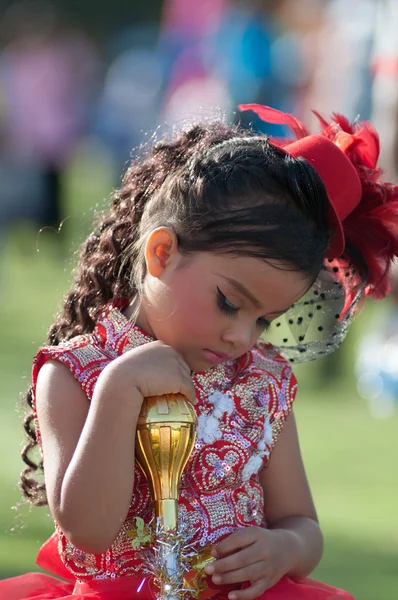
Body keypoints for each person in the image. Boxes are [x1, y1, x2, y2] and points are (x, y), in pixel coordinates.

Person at [1, 103, 398, 600]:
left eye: (263, 321)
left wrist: (284, 548)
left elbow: (302, 523)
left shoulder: (260, 382)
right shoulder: (76, 372)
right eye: (230, 303)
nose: (242, 337)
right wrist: (118, 390)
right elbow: (88, 531)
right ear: (162, 253)